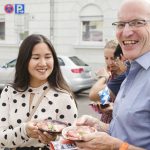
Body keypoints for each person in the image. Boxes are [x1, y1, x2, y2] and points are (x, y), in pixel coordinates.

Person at [74, 0, 150, 149]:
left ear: (119, 58)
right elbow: (125, 131)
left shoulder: (118, 75)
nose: (126, 31)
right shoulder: (131, 71)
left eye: (137, 22)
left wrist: (103, 77)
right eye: (121, 24)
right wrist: (97, 124)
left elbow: (96, 95)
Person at [0, 34, 78, 149]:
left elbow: (73, 142)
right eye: (36, 58)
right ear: (24, 60)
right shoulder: (9, 92)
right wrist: (24, 131)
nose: (43, 63)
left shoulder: (63, 96)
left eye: (47, 57)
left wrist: (54, 139)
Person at [89, 41, 127, 123]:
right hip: (105, 122)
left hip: (117, 124)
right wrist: (100, 106)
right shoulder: (111, 76)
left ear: (120, 56)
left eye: (113, 58)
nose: (109, 62)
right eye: (106, 58)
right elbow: (105, 100)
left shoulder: (125, 77)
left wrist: (104, 78)